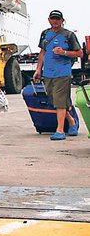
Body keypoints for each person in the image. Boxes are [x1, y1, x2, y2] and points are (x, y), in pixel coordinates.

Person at [33, 10, 81, 140]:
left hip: (63, 72)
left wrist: (64, 52)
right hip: (48, 73)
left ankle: (60, 130)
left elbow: (79, 53)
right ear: (49, 20)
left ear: (62, 20)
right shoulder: (45, 34)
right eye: (53, 19)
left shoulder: (68, 35)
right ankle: (71, 121)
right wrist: (38, 69)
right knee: (54, 100)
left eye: (58, 19)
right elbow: (42, 52)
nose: (55, 21)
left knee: (60, 102)